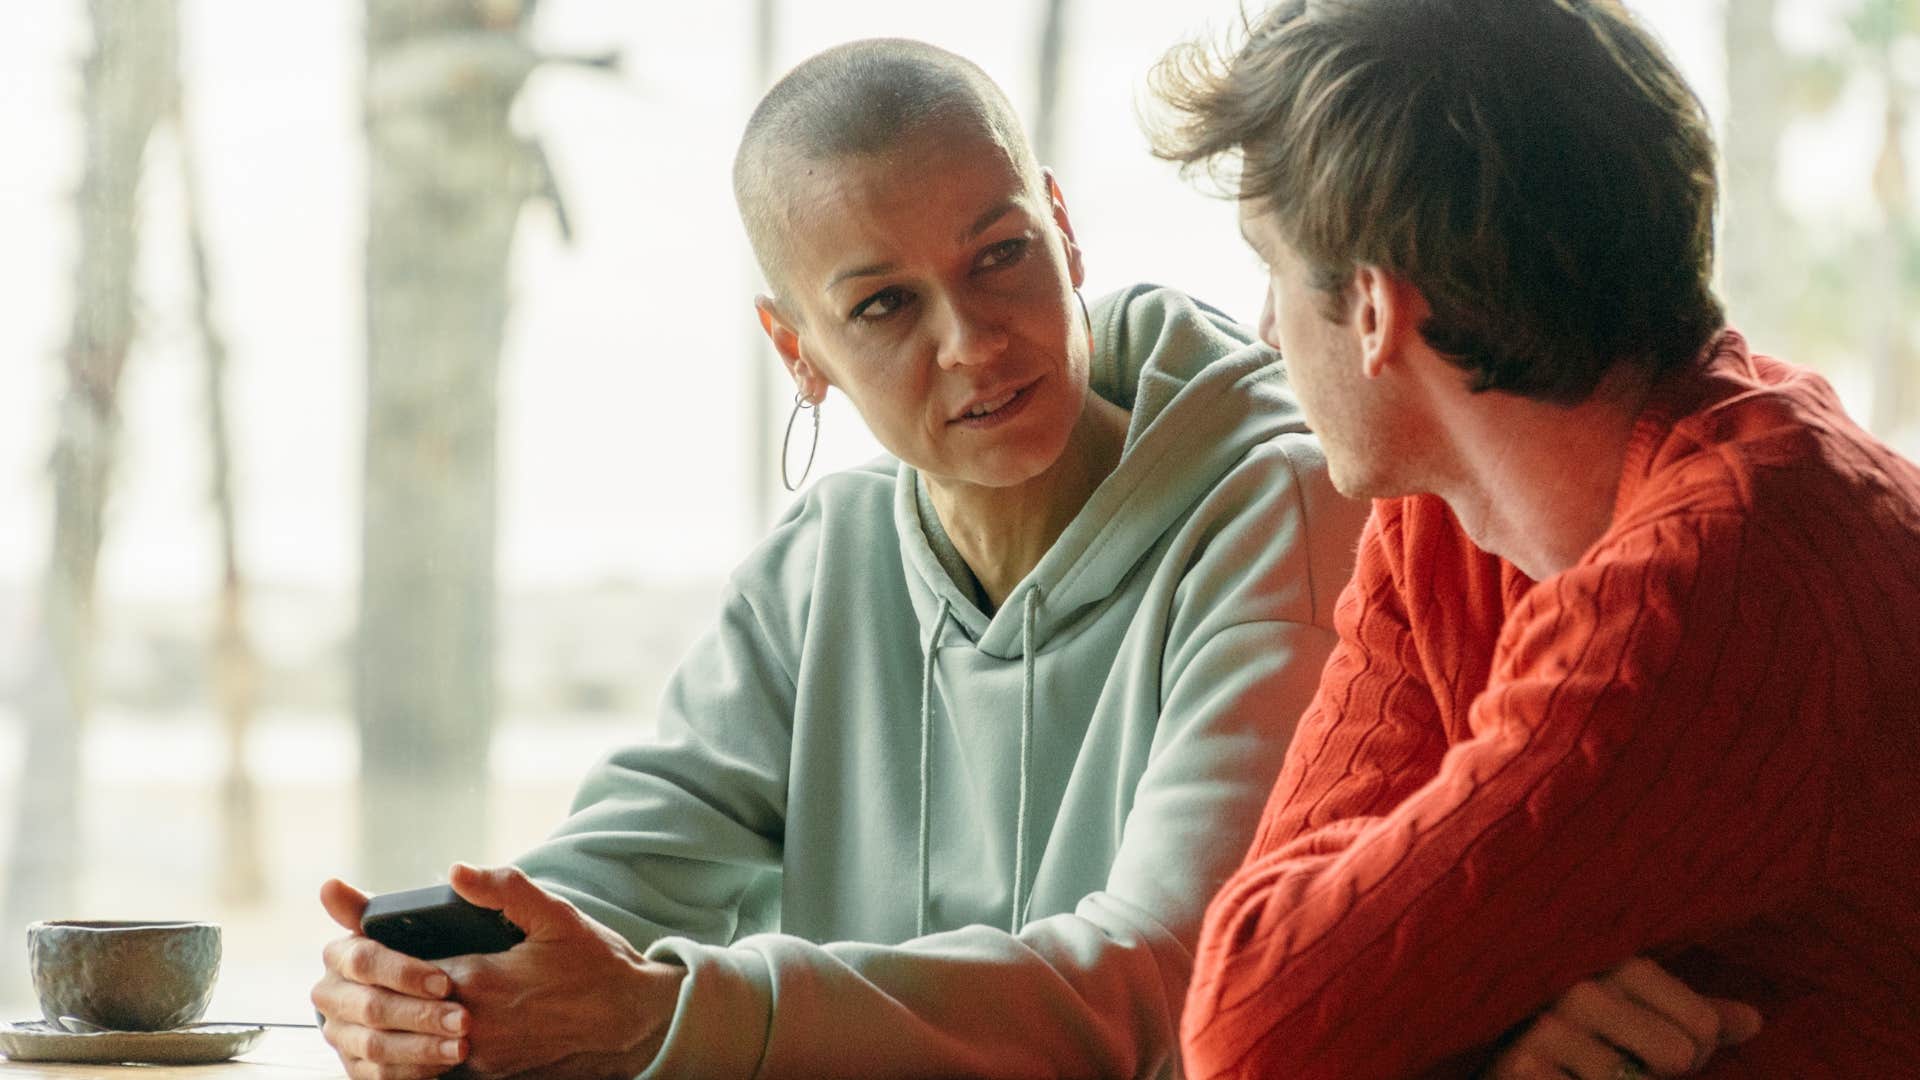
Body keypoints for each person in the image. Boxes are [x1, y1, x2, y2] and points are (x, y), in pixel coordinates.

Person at [310, 38, 1743, 1080]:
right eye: (882, 306)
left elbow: (1165, 986)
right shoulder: (826, 564)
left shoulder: (1287, 502)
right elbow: (612, 875)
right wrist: (434, 975)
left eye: (1000, 255)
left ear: (1062, 227)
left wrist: (658, 1014)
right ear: (795, 349)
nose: (973, 339)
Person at [1149, 1, 1920, 1077]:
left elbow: (1253, 1028)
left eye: (1268, 266)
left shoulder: (1724, 577)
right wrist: (1488, 1037)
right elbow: (1274, 968)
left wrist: (1434, 1012)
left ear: (1375, 308)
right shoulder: (1441, 513)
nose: (1268, 329)